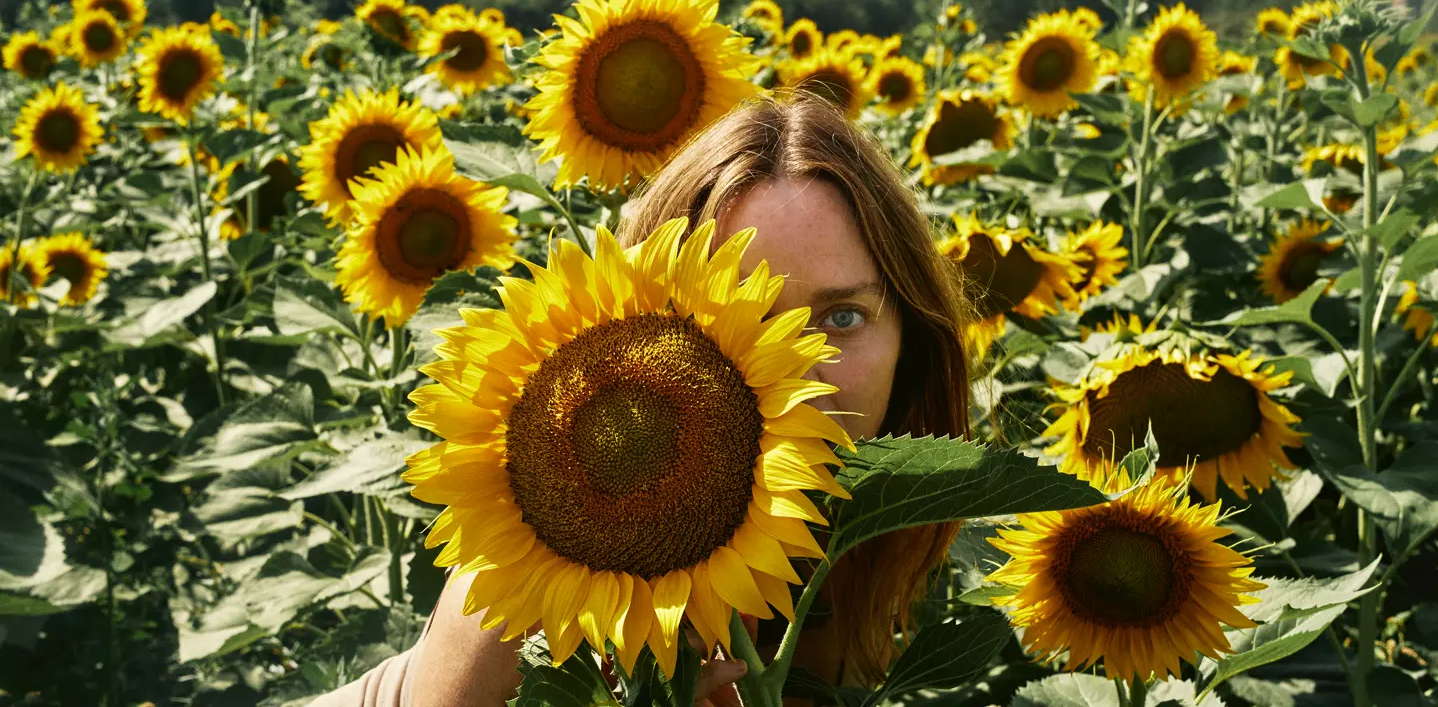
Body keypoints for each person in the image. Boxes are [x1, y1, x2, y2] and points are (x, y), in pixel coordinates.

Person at [310, 92, 973, 707]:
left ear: (908, 338)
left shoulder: (874, 530)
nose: (791, 370)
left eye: (842, 318)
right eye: (741, 319)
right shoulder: (542, 556)